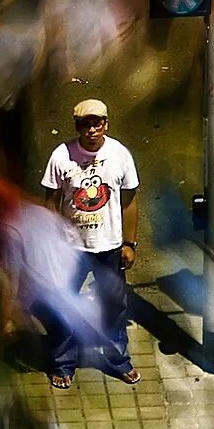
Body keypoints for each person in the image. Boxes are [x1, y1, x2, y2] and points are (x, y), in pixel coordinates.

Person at [41, 99, 140, 389]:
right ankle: (62, 363)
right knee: (63, 304)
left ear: (106, 124)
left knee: (114, 306)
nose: (92, 129)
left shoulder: (120, 154)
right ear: (77, 126)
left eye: (98, 123)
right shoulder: (61, 156)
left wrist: (129, 243)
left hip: (109, 247)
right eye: (86, 124)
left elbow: (130, 201)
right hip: (72, 249)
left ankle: (118, 360)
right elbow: (51, 202)